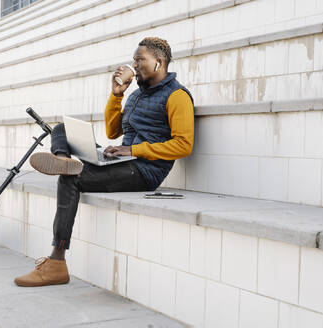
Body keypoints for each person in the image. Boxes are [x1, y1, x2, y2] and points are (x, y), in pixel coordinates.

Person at [14, 37, 194, 287]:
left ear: (158, 62)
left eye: (139, 59)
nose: (134, 64)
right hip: (120, 159)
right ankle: (63, 159)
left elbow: (183, 145)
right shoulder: (135, 97)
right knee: (62, 129)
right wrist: (116, 96)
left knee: (71, 179)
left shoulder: (177, 96)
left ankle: (56, 262)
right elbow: (112, 132)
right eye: (134, 59)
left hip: (144, 170)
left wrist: (132, 149)